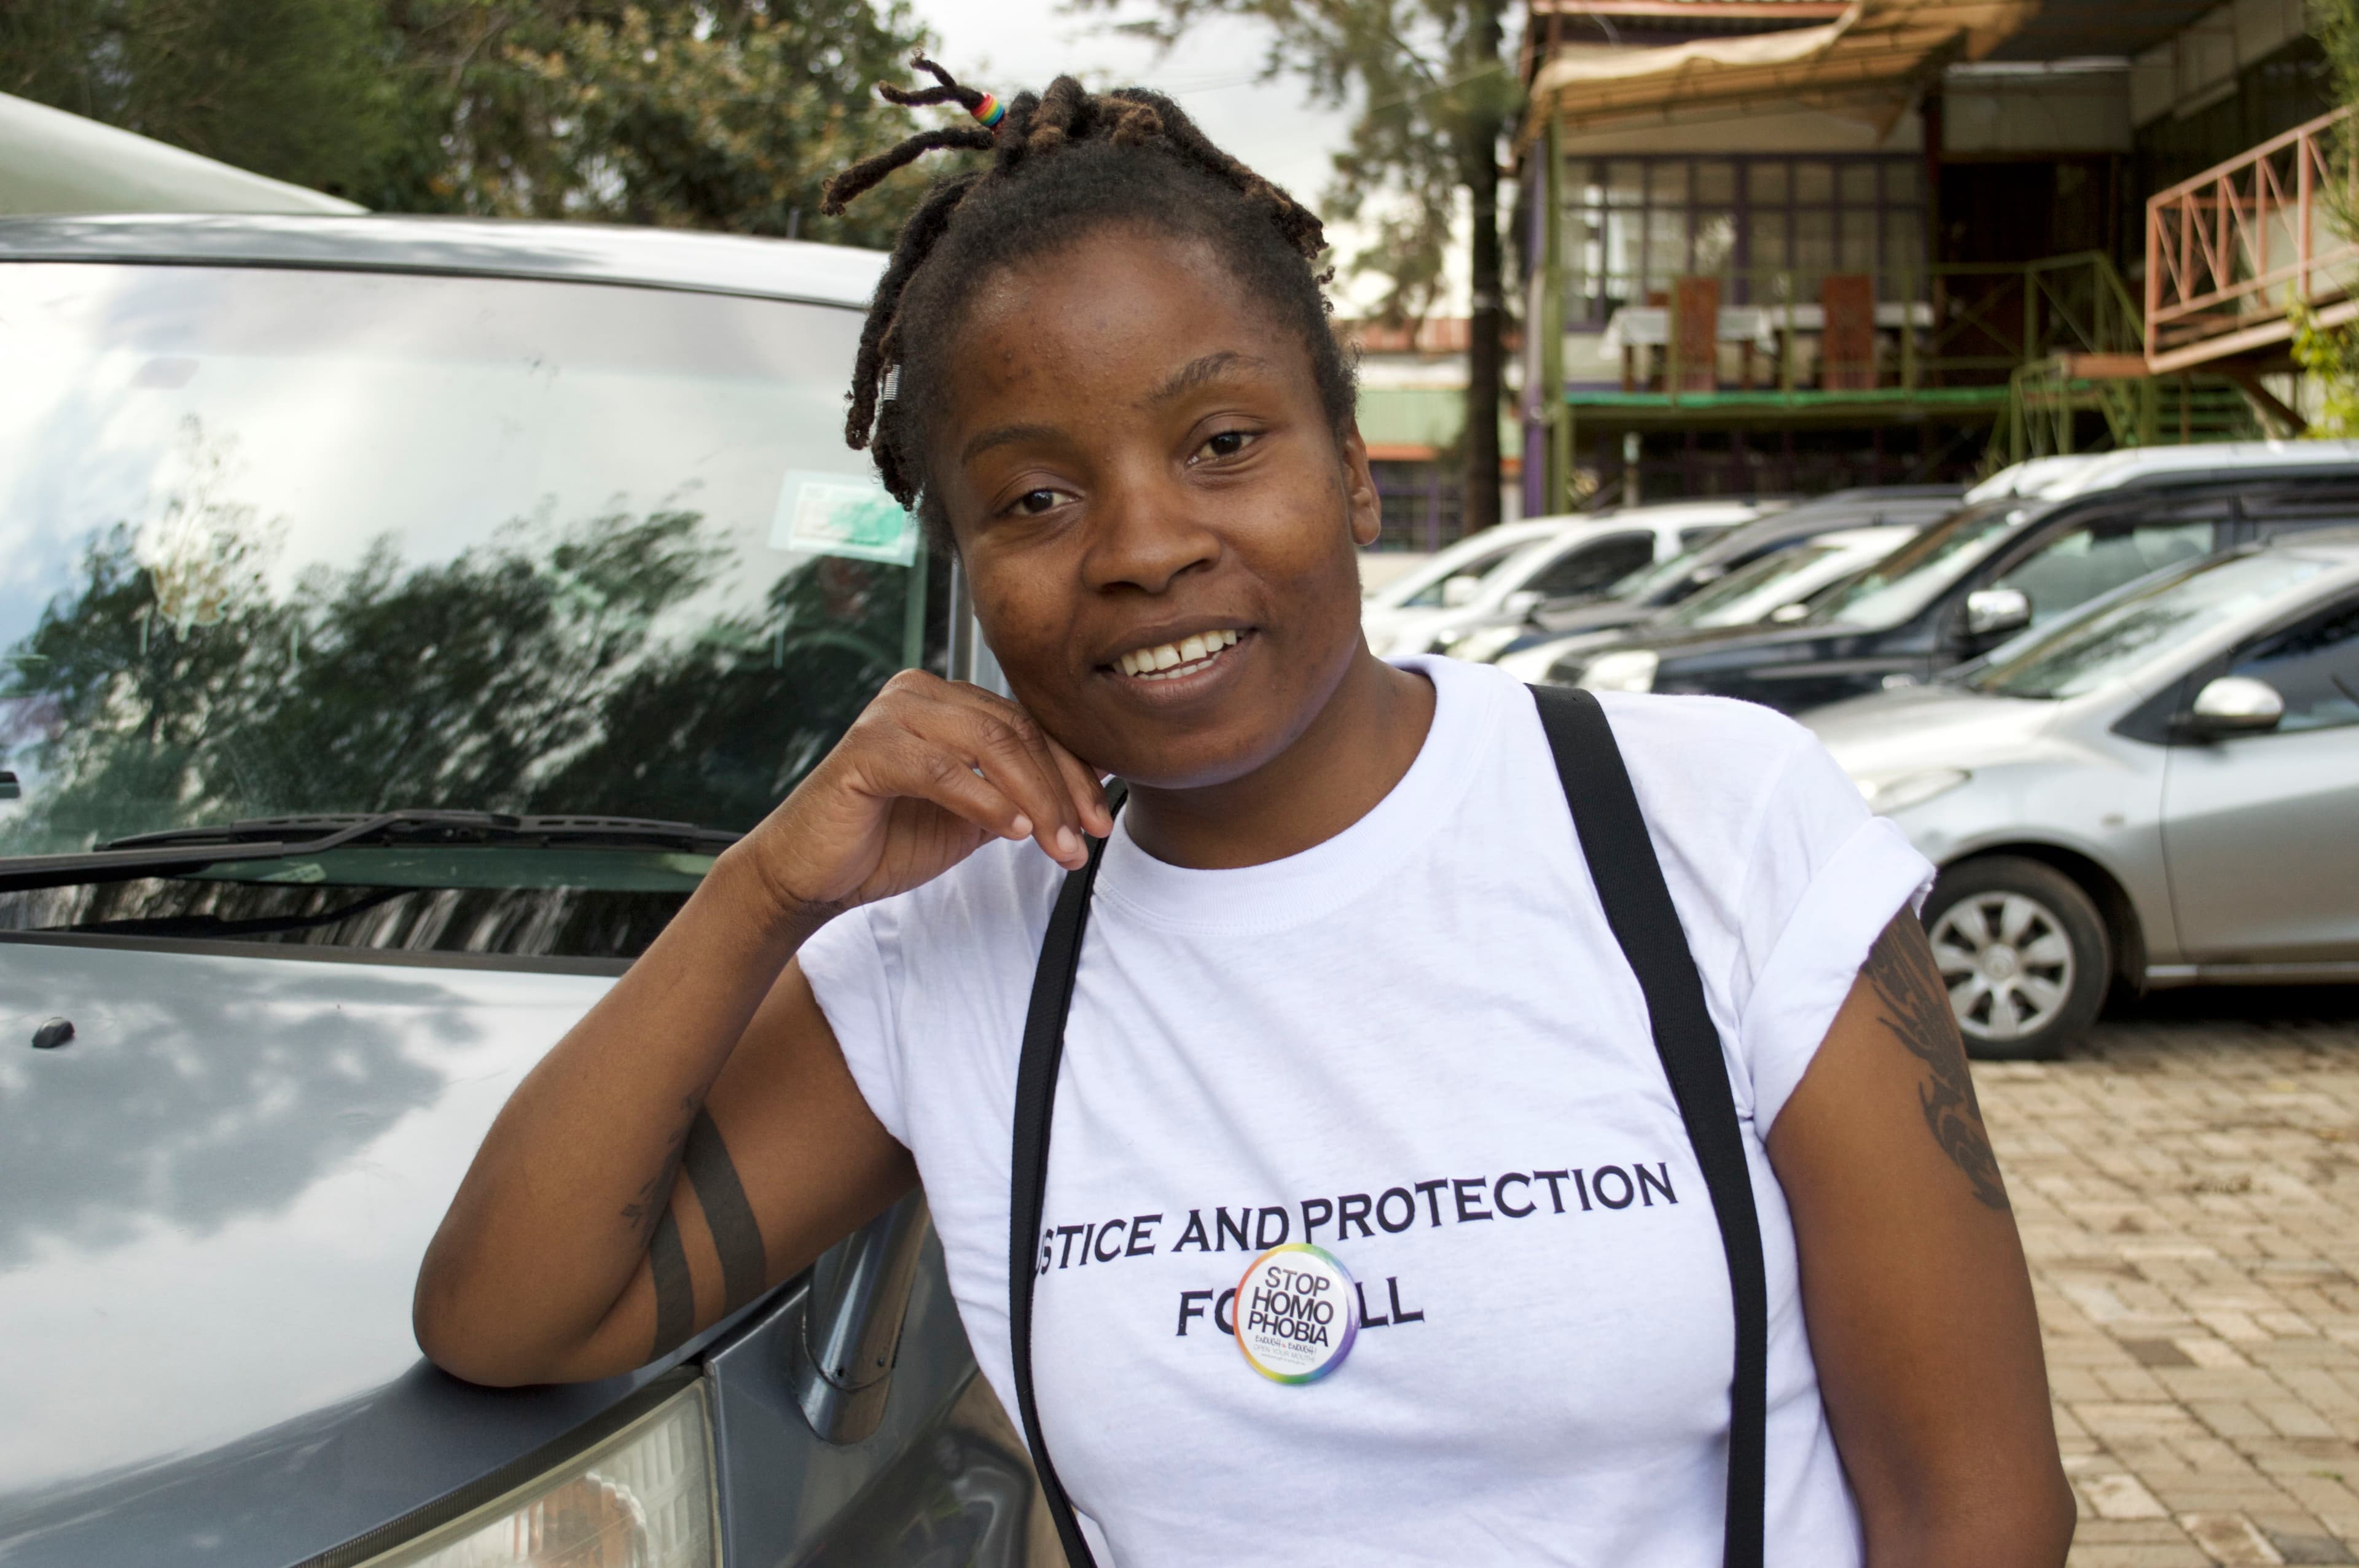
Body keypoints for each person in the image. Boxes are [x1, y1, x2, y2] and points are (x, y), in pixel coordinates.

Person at [414, 60, 2074, 1567]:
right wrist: (771, 884)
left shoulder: (1709, 824)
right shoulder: (961, 960)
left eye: (1221, 441)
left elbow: (1974, 1508)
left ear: (1353, 465)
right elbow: (510, 1310)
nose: (1142, 544)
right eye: (1035, 496)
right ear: (969, 568)